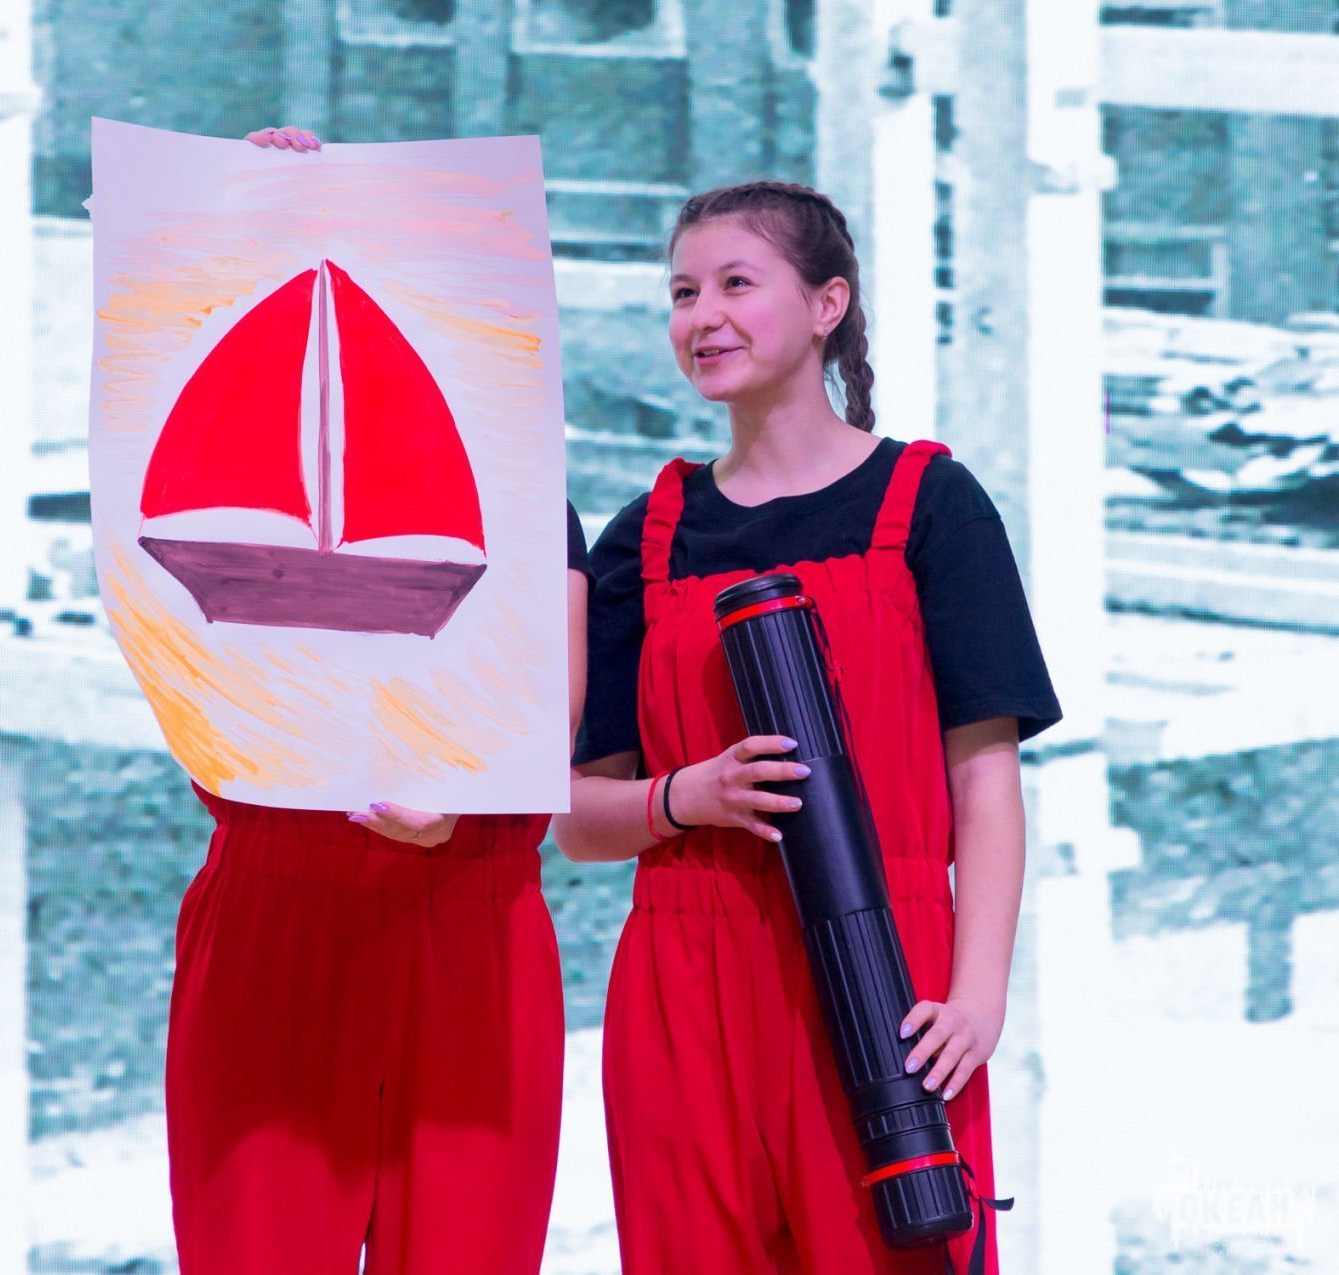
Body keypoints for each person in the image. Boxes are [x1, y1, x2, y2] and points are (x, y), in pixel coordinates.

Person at [553, 180, 1062, 1275]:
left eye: (736, 283)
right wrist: (684, 796)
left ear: (828, 303)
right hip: (684, 988)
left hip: (888, 981)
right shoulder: (642, 539)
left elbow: (984, 785)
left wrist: (977, 999)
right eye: (682, 293)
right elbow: (577, 819)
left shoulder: (930, 504)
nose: (703, 316)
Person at [163, 123, 590, 1275]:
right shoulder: (228, 468)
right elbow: (152, 390)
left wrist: (469, 789)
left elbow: (548, 721)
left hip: (470, 914)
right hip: (274, 901)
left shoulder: (526, 492)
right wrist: (249, 212)